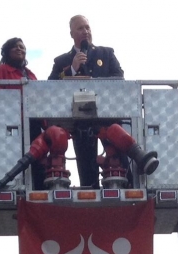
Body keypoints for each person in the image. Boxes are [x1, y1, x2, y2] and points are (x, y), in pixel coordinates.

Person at [48, 15, 123, 188]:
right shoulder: (62, 61)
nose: (86, 32)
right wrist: (72, 69)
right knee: (87, 172)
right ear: (72, 33)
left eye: (87, 28)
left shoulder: (106, 53)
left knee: (120, 159)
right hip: (78, 122)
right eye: (81, 28)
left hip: (108, 118)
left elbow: (119, 78)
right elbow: (50, 88)